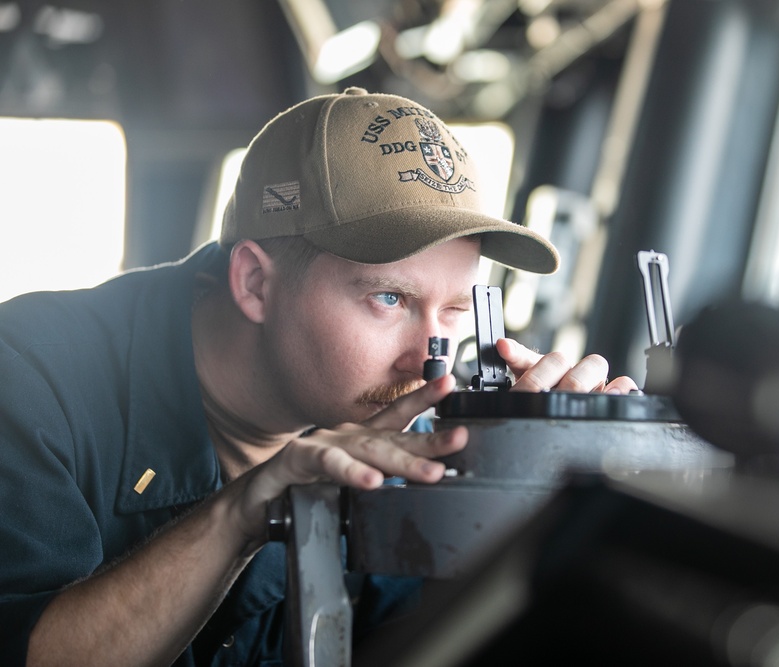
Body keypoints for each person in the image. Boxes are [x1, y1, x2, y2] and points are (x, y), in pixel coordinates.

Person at [0, 87, 636, 666]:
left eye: (454, 310)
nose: (429, 356)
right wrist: (241, 516)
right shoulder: (27, 379)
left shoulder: (406, 428)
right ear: (254, 282)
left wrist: (533, 489)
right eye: (389, 299)